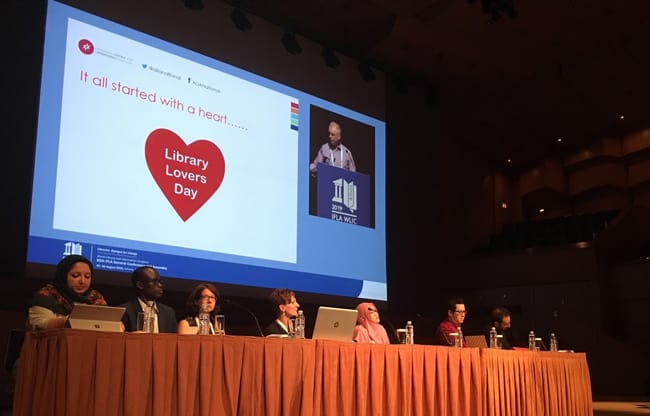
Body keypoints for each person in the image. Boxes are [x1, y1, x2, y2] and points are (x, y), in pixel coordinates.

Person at [27, 255, 108, 330]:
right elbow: (39, 326)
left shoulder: (95, 298)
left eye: (87, 276)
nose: (83, 281)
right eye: (75, 275)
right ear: (63, 275)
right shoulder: (46, 296)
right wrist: (73, 320)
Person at [121, 266, 177, 333]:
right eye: (154, 281)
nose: (160, 285)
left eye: (160, 281)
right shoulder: (124, 311)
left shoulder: (168, 313)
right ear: (140, 285)